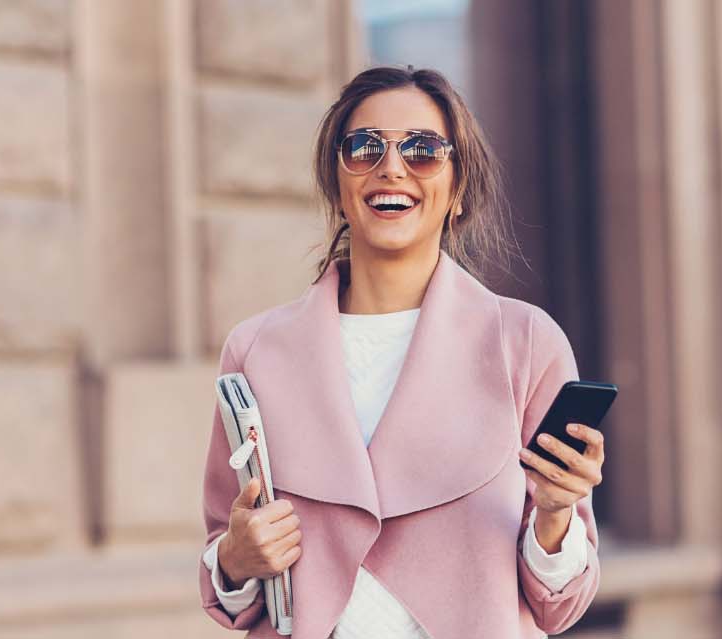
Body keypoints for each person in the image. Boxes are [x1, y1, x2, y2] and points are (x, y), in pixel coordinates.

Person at [198, 66, 604, 638]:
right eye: (363, 148)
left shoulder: (525, 345)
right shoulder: (257, 351)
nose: (391, 168)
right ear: (337, 186)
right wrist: (238, 558)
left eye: (423, 150)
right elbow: (225, 573)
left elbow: (558, 604)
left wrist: (558, 512)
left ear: (458, 189)